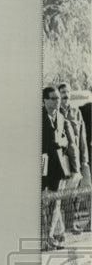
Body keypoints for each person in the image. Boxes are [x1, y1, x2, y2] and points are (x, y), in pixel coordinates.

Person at [42, 86, 78, 249]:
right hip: (43, 166)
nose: (58, 101)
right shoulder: (39, 117)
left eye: (58, 98)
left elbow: (67, 141)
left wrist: (62, 142)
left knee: (56, 203)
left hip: (58, 167)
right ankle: (44, 237)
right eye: (54, 98)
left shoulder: (62, 118)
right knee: (43, 202)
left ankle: (50, 236)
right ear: (45, 100)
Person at [58, 83, 90, 233]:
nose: (65, 94)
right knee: (62, 192)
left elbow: (82, 138)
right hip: (63, 159)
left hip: (77, 158)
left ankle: (72, 224)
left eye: (67, 92)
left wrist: (84, 160)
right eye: (62, 92)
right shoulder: (55, 112)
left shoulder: (76, 112)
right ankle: (63, 226)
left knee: (75, 192)